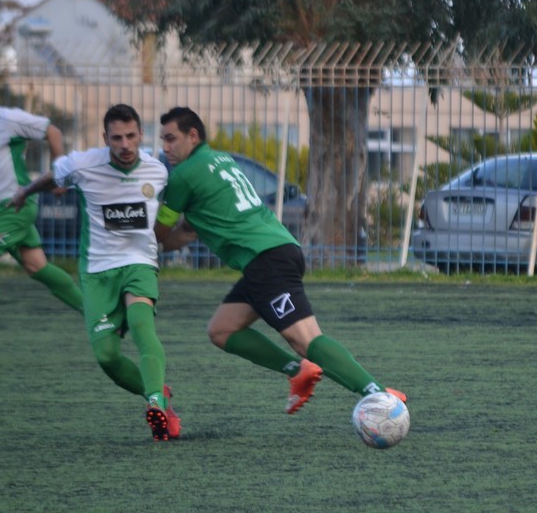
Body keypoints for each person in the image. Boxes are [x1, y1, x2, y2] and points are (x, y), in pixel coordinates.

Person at [153, 106, 405, 414]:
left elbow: (161, 232)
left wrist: (136, 232)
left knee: (306, 340)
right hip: (275, 252)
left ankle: (379, 394)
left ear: (192, 136)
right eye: (162, 140)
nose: (165, 147)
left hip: (266, 261)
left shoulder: (183, 175)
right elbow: (187, 232)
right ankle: (297, 370)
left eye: (170, 138)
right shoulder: (220, 160)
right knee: (221, 330)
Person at [11, 104, 181, 441]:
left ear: (141, 135)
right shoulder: (83, 164)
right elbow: (52, 177)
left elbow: (181, 201)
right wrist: (24, 192)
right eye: (117, 138)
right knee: (107, 358)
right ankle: (157, 393)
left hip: (139, 262)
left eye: (130, 136)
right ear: (105, 138)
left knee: (142, 325)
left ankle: (155, 404)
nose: (125, 144)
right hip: (98, 270)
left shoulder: (158, 170)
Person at [0, 72, 84, 355]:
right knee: (37, 268)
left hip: (16, 204)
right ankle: (99, 317)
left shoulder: (8, 119)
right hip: (0, 208)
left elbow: (53, 131)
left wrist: (59, 174)